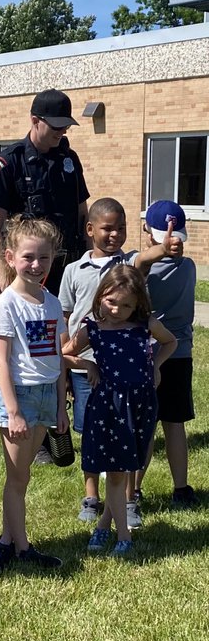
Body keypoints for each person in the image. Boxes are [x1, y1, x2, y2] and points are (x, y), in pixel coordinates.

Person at [58, 197, 181, 527]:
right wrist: (77, 369)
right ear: (90, 230)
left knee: (130, 436)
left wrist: (165, 246)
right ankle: (91, 495)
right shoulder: (73, 270)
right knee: (91, 434)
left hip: (129, 376)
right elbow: (65, 320)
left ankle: (128, 499)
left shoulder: (127, 263)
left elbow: (147, 256)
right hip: (89, 366)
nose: (115, 234)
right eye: (107, 228)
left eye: (122, 229)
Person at [63, 265, 176, 556]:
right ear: (101, 295)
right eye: (111, 301)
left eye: (126, 305)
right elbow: (64, 354)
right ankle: (123, 537)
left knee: (128, 465)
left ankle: (103, 526)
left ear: (138, 304)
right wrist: (88, 365)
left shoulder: (144, 325)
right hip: (109, 406)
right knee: (114, 473)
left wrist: (155, 365)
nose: (117, 309)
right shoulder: (93, 329)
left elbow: (170, 342)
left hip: (141, 404)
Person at [0, 216, 69, 574]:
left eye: (44, 258)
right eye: (28, 257)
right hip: (18, 396)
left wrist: (62, 405)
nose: (36, 266)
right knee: (17, 478)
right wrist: (14, 411)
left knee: (23, 478)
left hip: (47, 394)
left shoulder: (51, 302)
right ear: (10, 256)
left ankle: (6, 542)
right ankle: (21, 547)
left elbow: (58, 355)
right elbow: (1, 363)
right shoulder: (6, 304)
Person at [0, 89, 90, 295]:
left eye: (66, 125)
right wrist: (5, 282)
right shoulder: (9, 163)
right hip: (27, 271)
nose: (62, 131)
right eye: (56, 125)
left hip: (68, 271)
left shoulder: (69, 159)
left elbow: (82, 214)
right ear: (35, 120)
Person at [135, 200, 198, 508]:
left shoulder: (142, 269)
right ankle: (181, 489)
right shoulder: (189, 266)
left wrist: (156, 250)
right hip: (181, 354)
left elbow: (139, 263)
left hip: (150, 354)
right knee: (175, 425)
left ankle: (133, 490)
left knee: (146, 425)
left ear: (149, 232)